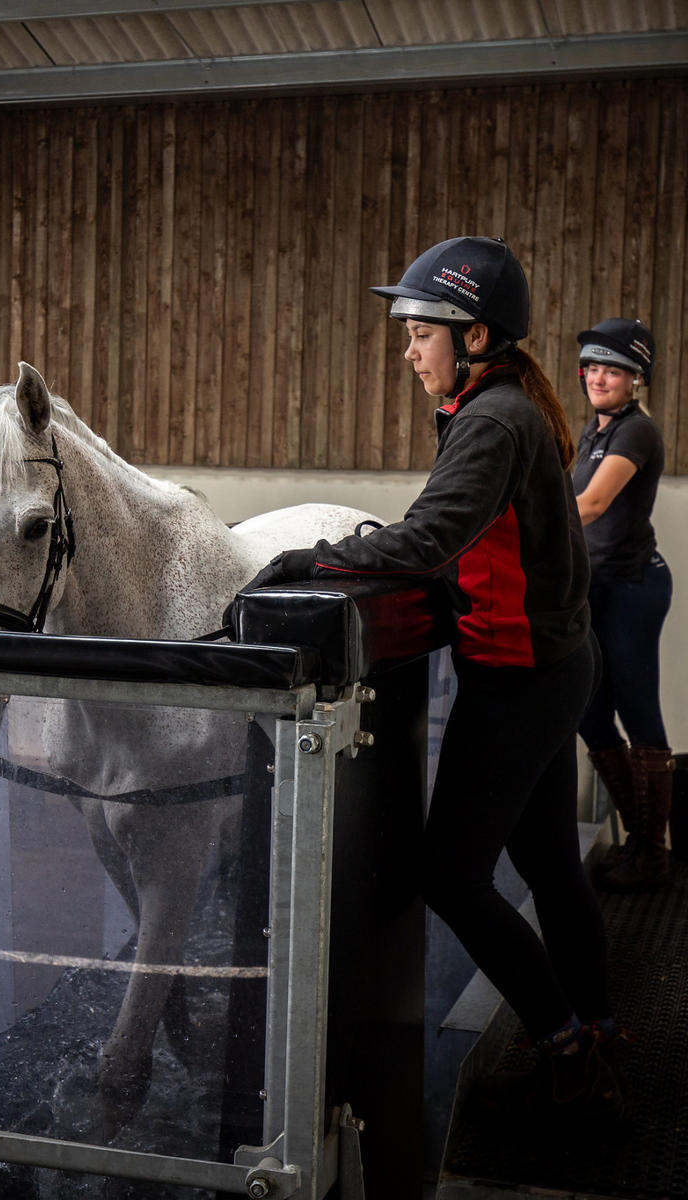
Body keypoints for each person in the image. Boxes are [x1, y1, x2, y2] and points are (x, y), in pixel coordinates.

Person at [237, 237, 622, 1121]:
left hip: (520, 681)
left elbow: (423, 541)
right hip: (551, 667)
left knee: (451, 879)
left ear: (474, 335)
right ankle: (595, 1027)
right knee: (546, 861)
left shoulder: (492, 420)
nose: (409, 351)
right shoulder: (498, 404)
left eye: (420, 334)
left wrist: (311, 558)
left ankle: (567, 1049)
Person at [572, 318, 673, 893]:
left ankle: (652, 854)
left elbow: (590, 504)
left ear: (636, 379)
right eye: (592, 367)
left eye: (612, 370)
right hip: (597, 587)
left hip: (633, 587)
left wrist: (518, 526)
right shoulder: (594, 430)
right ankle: (639, 838)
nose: (599, 378)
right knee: (589, 712)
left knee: (637, 709)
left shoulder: (636, 432)